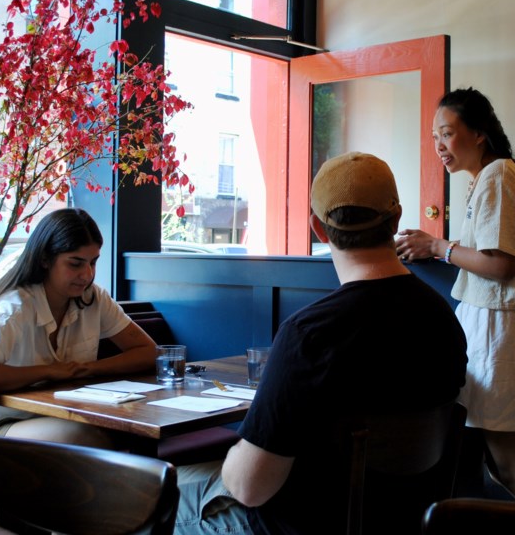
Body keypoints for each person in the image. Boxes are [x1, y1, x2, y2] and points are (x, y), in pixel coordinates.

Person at [175, 152, 468, 534]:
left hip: (300, 525)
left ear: (318, 228)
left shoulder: (309, 335)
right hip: (404, 524)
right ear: (396, 219)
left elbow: (250, 488)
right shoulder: (443, 319)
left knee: (149, 499)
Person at [395, 87, 515, 505]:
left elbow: (501, 264)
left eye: (448, 134)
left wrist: (437, 247)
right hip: (488, 329)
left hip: (501, 334)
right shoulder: (484, 179)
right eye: (435, 137)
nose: (439, 146)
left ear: (479, 134)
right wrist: (440, 245)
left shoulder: (499, 175)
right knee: (504, 466)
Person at [0, 208, 156, 453]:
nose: (87, 274)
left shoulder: (93, 298)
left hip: (51, 421)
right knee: (87, 437)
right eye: (75, 263)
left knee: (126, 432)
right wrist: (51, 372)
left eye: (93, 262)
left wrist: (88, 368)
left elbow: (148, 352)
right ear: (45, 259)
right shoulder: (15, 308)